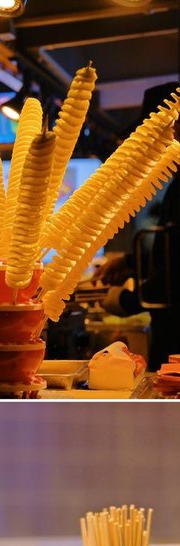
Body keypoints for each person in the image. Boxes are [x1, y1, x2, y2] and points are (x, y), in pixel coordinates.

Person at [96, 83, 179, 370]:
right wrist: (132, 262)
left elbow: (177, 273)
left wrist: (129, 300)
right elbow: (172, 247)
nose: (148, 148)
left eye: (151, 135)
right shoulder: (176, 182)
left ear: (174, 125)